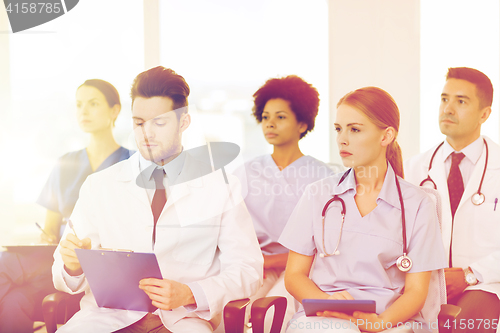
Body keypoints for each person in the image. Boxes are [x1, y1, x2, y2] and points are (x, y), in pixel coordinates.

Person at [51, 66, 263, 333]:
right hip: (106, 319)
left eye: (159, 123)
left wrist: (190, 293)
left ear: (183, 121)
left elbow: (248, 270)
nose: (146, 134)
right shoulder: (99, 185)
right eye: (139, 123)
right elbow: (63, 271)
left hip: (182, 320)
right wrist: (72, 265)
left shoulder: (221, 187)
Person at [278, 87, 447, 332]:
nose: (342, 139)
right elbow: (294, 276)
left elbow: (416, 291)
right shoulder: (318, 194)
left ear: (386, 136)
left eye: (354, 129)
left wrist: (380, 323)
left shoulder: (418, 204)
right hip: (324, 318)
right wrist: (327, 303)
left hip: (390, 320)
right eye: (339, 129)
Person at [0, 79, 133, 333]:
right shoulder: (65, 163)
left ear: (115, 110)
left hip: (100, 263)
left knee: (5, 270)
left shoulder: (130, 164)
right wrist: (47, 237)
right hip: (57, 260)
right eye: (79, 104)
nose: (83, 111)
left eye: (93, 104)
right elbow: (50, 228)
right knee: (13, 301)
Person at [234, 75, 334, 332]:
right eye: (265, 117)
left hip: (300, 270)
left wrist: (277, 262)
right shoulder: (245, 172)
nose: (270, 124)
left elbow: (328, 243)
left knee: (270, 316)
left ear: (302, 123)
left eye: (280, 117)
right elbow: (229, 229)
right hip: (255, 266)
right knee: (229, 316)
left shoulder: (325, 177)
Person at [404, 67, 500, 333]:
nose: (448, 108)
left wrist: (471, 274)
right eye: (444, 99)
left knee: (464, 325)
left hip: (485, 283)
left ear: (485, 114)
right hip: (423, 283)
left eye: (461, 101)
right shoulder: (413, 169)